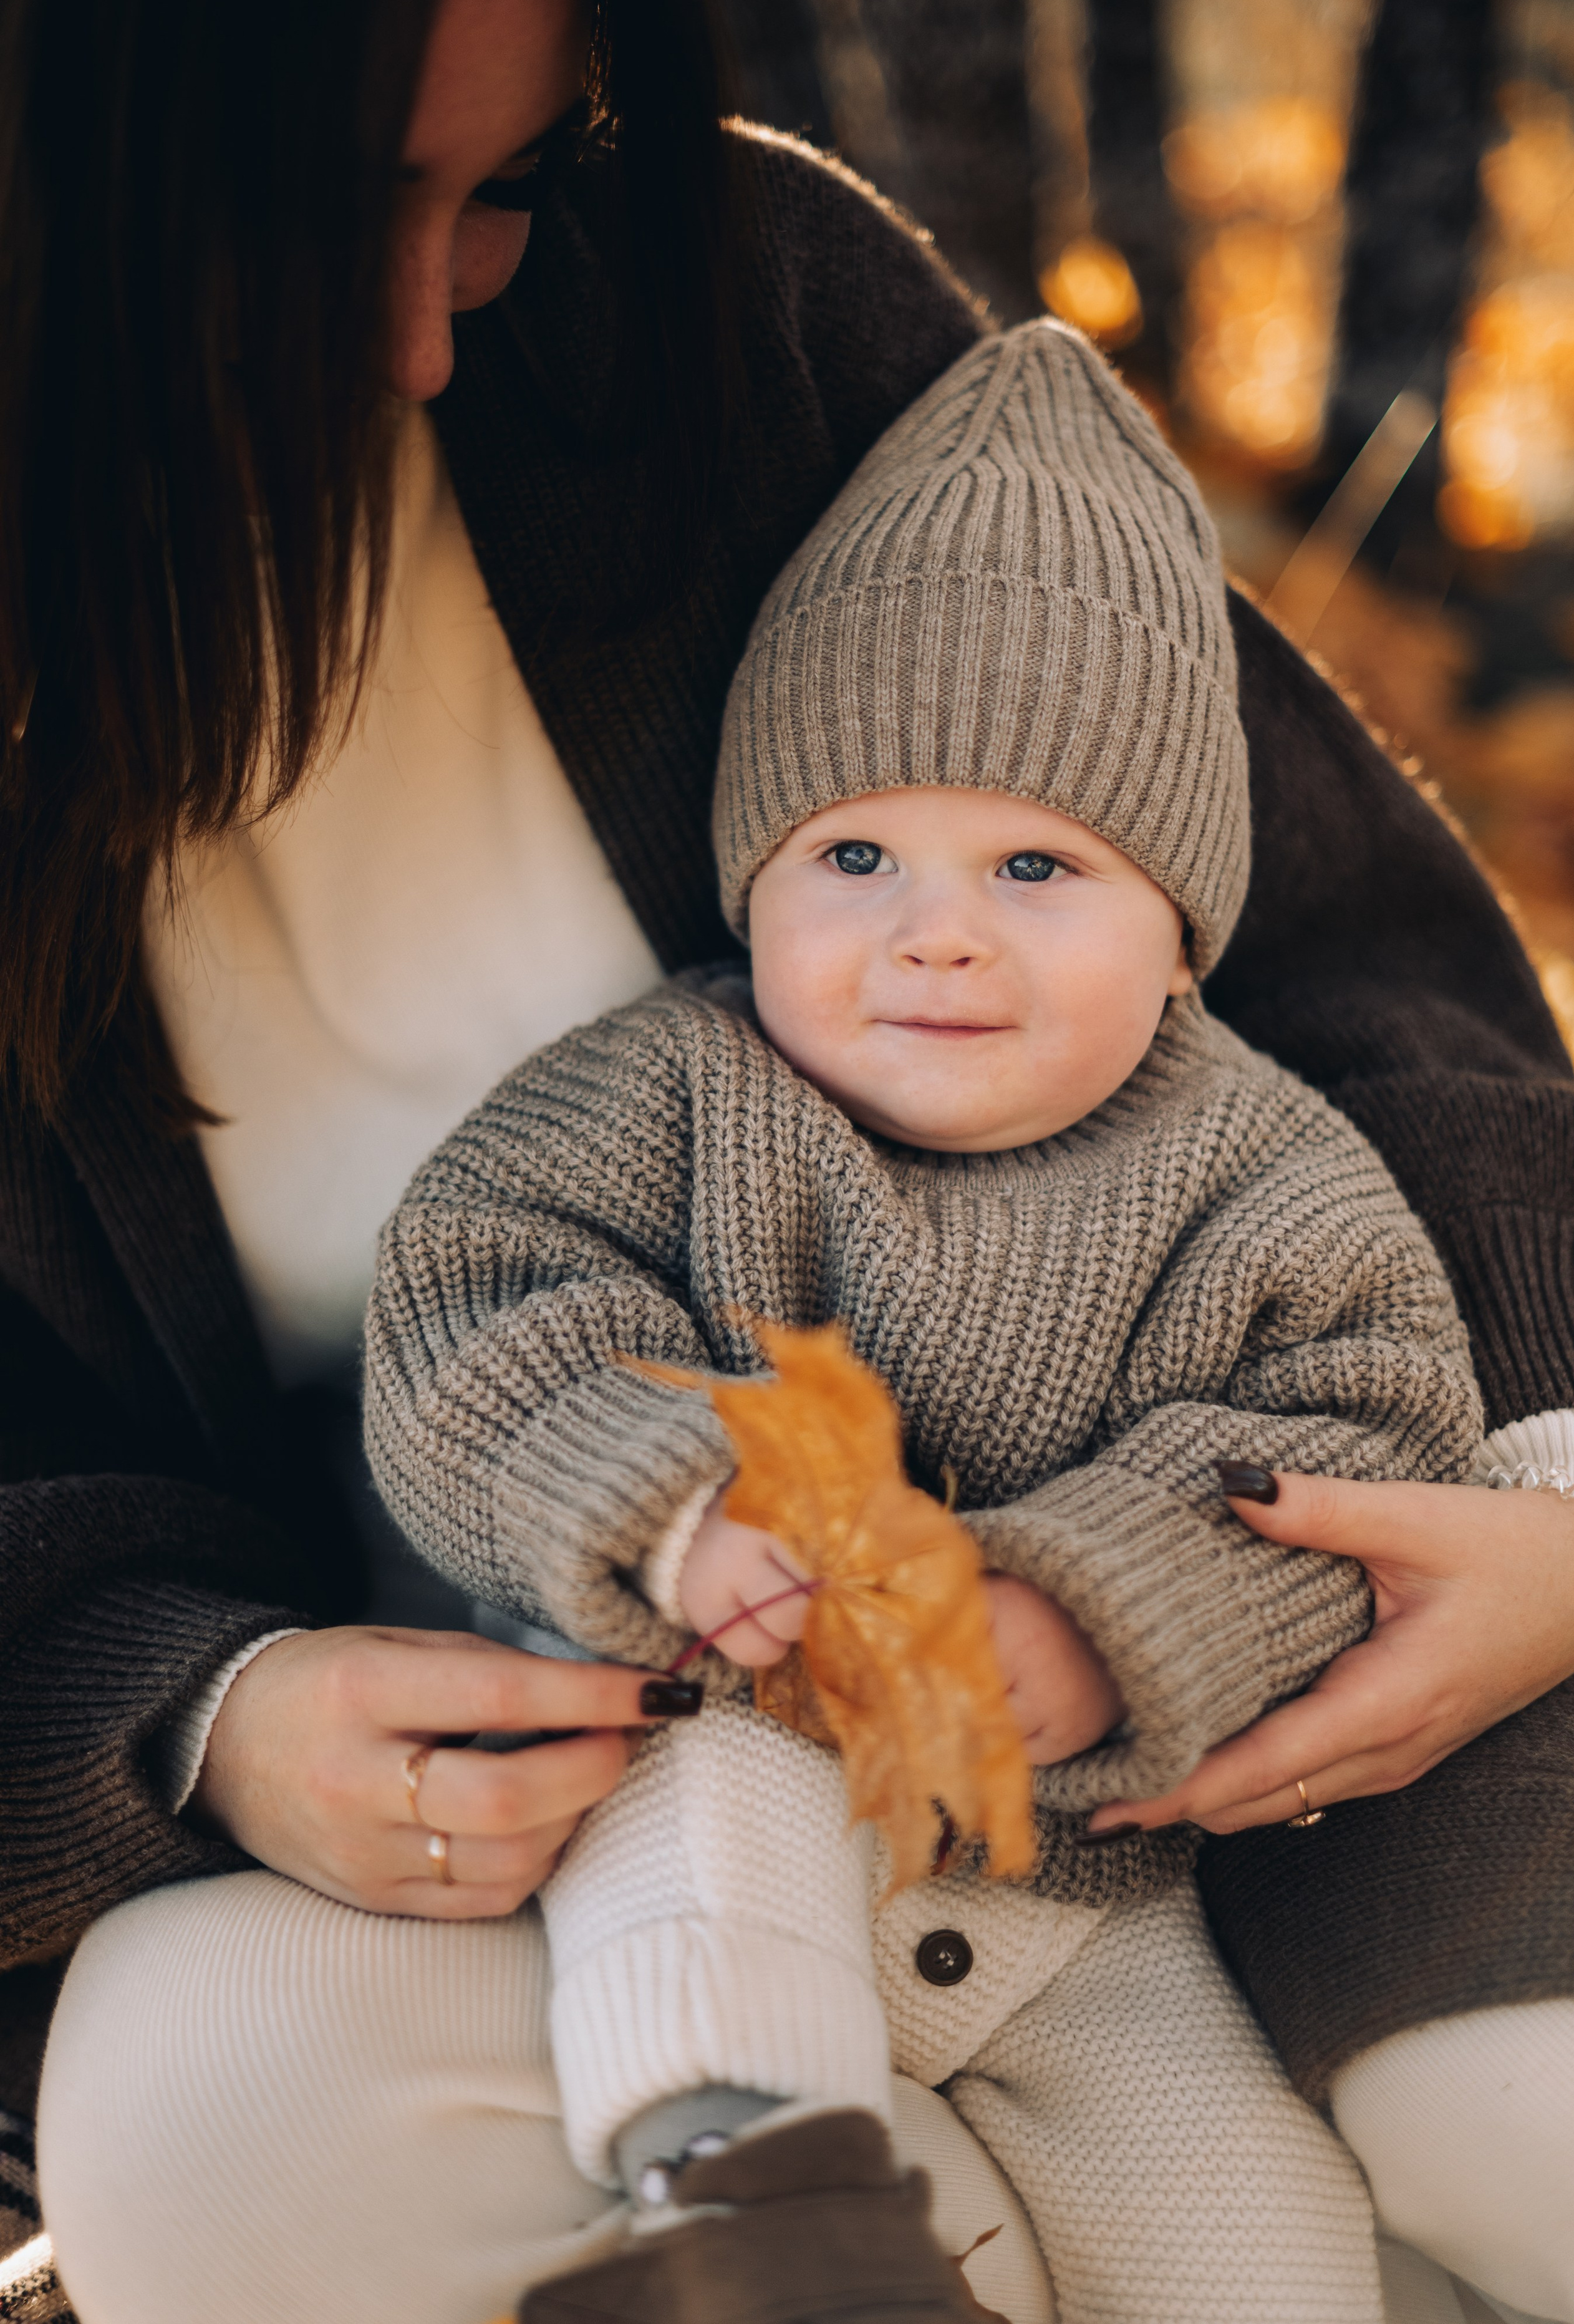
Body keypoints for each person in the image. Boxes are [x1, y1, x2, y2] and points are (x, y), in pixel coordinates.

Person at [2, 0, 1574, 2320]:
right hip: (575, 1815)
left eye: (514, 189)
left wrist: (1560, 1498)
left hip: (1214, 1786)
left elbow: (1366, 981)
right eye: (336, 214)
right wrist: (198, 1714)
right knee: (207, 2102)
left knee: (1481, 2140)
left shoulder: (748, 323)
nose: (434, 332)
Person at [363, 317, 1485, 2324]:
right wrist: (686, 1512)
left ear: (1184, 923)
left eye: (1038, 864)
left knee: (1258, 2231)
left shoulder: (1265, 1168)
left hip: (1089, 1892)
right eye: (853, 852)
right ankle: (756, 2230)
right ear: (754, 875)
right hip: (722, 1726)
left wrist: (1094, 1607)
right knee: (703, 1832)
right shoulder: (665, 1092)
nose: (936, 926)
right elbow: (478, 1304)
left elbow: (1367, 1433)